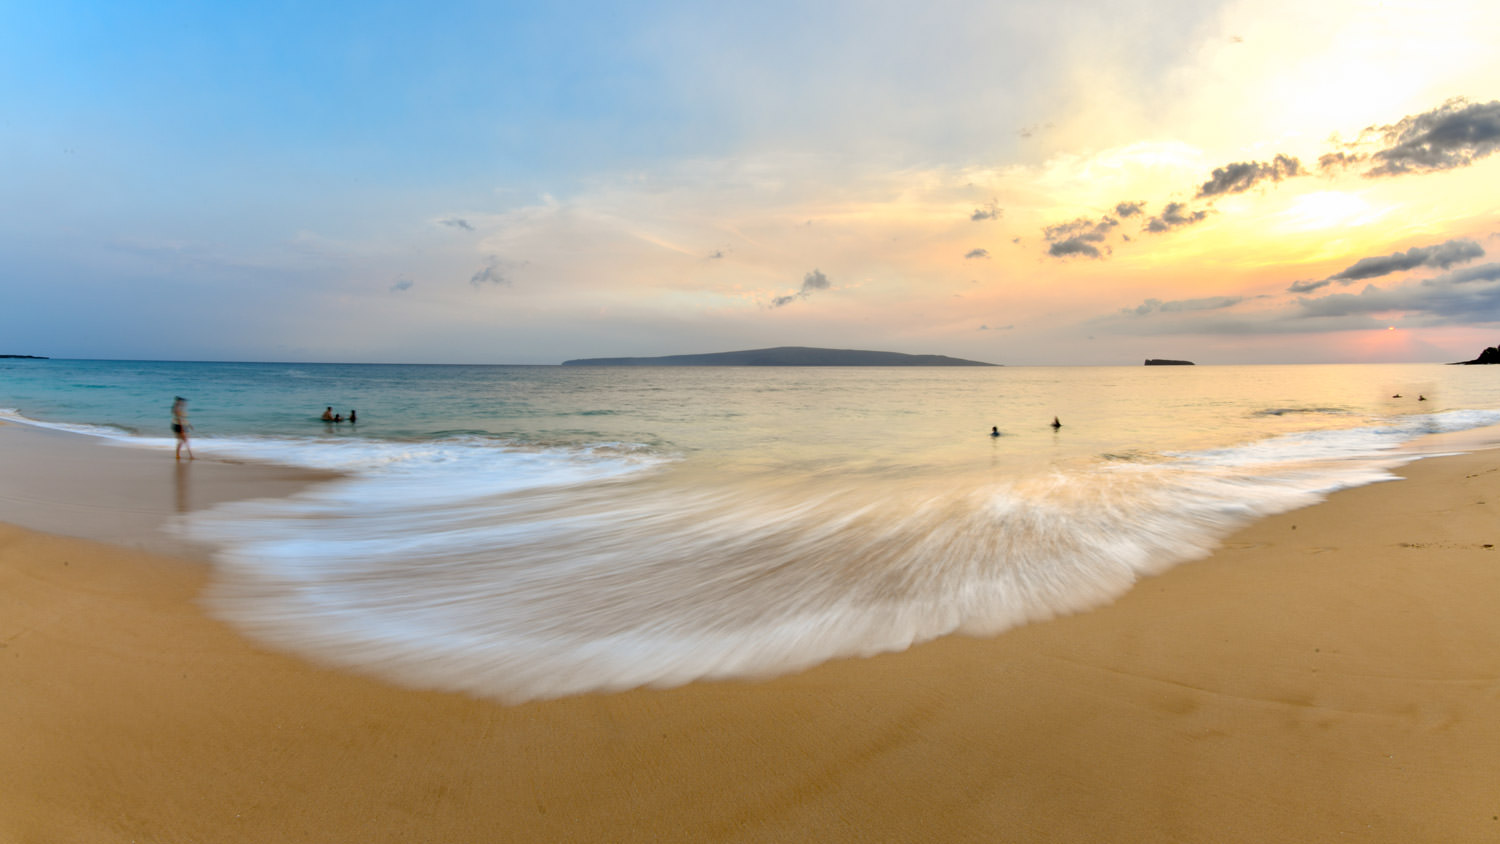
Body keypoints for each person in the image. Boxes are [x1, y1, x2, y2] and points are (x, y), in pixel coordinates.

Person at [172, 396, 193, 461]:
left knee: (184, 440)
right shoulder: (177, 409)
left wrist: (189, 425)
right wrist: (182, 429)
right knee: (183, 441)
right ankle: (189, 455)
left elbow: (183, 418)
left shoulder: (180, 408)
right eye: (182, 402)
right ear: (179, 402)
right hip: (179, 426)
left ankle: (188, 455)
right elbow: (179, 419)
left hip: (183, 425)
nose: (184, 403)